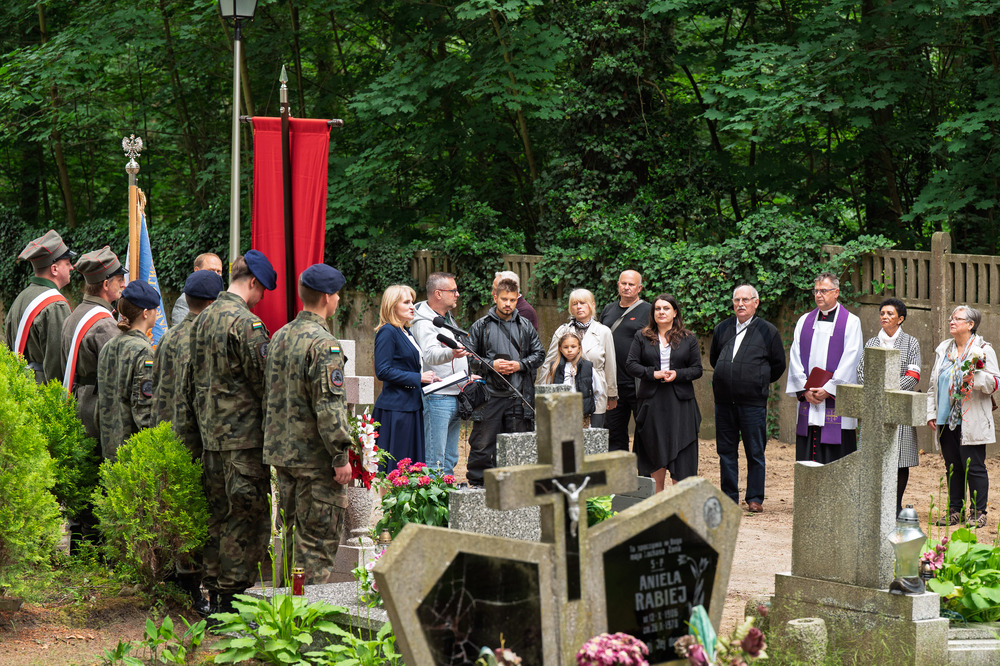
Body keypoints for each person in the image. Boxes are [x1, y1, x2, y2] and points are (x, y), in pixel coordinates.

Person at [187, 250, 276, 615]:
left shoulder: (202, 319)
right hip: (243, 442)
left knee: (217, 518)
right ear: (252, 282)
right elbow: (264, 384)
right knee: (247, 522)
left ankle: (214, 600)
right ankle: (232, 606)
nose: (261, 299)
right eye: (262, 291)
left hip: (211, 440)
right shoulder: (246, 325)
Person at [264, 264, 353, 584]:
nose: (339, 299)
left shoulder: (279, 336)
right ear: (328, 297)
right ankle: (306, 621)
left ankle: (284, 615)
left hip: (283, 456)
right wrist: (340, 456)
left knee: (289, 540)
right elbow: (329, 407)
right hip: (315, 461)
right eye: (338, 294)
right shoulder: (324, 344)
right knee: (315, 546)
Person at [150, 269, 222, 616]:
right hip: (200, 440)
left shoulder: (167, 338)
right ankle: (201, 591)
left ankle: (181, 581)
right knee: (206, 515)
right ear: (212, 302)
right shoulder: (207, 338)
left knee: (178, 510)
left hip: (169, 437)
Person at [709, 285, 786, 513]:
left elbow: (778, 365)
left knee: (755, 451)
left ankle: (754, 498)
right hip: (724, 402)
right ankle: (729, 497)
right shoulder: (722, 328)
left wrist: (756, 381)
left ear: (756, 303)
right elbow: (716, 359)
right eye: (737, 300)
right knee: (726, 451)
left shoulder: (767, 331)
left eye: (745, 300)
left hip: (752, 403)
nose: (740, 304)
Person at [465, 277, 545, 486]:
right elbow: (469, 357)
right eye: (504, 299)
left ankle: (515, 487)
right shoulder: (480, 326)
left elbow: (540, 355)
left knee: (517, 445)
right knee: (482, 444)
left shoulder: (525, 325)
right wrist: (491, 364)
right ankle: (478, 486)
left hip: (518, 395)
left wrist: (520, 365)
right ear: (495, 298)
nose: (508, 304)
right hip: (488, 396)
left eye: (512, 299)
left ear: (517, 299)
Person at [926, 306, 999, 528]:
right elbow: (932, 385)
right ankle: (954, 511)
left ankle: (978, 513)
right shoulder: (943, 350)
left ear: (971, 324)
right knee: (952, 466)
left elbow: (995, 382)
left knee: (974, 466)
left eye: (957, 319)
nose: (952, 321)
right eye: (951, 318)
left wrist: (973, 378)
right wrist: (932, 413)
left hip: (971, 418)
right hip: (946, 418)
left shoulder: (984, 350)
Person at [625, 294, 702, 492]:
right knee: (653, 449)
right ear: (653, 313)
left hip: (680, 404)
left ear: (675, 312)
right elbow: (631, 365)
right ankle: (657, 501)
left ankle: (679, 503)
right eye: (657, 308)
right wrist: (653, 373)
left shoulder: (688, 338)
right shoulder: (642, 336)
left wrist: (677, 374)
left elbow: (697, 369)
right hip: (652, 402)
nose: (661, 312)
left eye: (666, 308)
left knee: (682, 451)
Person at [785, 272, 863, 464]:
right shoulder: (804, 321)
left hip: (834, 403)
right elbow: (795, 356)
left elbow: (852, 358)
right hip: (809, 401)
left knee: (836, 460)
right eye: (816, 291)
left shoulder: (851, 322)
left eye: (824, 291)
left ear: (836, 292)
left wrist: (829, 390)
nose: (819, 295)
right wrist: (805, 389)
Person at [857, 298, 922, 516]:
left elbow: (913, 375)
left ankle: (895, 505)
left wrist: (888, 390)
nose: (884, 317)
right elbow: (861, 373)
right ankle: (875, 504)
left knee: (900, 460)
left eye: (890, 314)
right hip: (875, 409)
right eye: (882, 313)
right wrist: (877, 392)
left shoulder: (911, 343)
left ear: (900, 319)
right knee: (875, 457)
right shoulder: (871, 343)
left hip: (898, 407)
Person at [60, 246, 126, 440]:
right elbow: (119, 374)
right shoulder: (105, 325)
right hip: (97, 411)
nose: (123, 285)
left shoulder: (74, 315)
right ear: (106, 284)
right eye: (120, 280)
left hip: (76, 403)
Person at [410, 272, 471, 475]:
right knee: (436, 459)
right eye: (453, 290)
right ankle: (435, 504)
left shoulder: (445, 318)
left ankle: (449, 501)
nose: (457, 294)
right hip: (438, 395)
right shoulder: (424, 321)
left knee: (451, 457)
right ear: (438, 293)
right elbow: (429, 354)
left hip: (456, 392)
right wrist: (452, 353)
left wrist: (468, 372)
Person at [373, 284, 439, 467]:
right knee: (396, 467)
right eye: (406, 302)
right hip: (396, 410)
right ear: (392, 305)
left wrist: (429, 380)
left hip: (411, 406)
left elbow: (407, 367)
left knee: (410, 468)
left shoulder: (406, 332)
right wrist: (418, 378)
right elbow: (383, 370)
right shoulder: (388, 331)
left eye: (413, 301)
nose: (413, 306)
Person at [95, 281, 159, 461]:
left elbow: (101, 401)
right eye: (155, 309)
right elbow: (144, 409)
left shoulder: (109, 346)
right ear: (146, 313)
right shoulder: (144, 352)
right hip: (133, 452)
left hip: (109, 447)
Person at [4, 229, 75, 383]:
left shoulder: (21, 298)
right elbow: (58, 363)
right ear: (54, 269)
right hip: (44, 393)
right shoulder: (55, 305)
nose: (72, 268)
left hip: (21, 389)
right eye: (68, 263)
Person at [538, 289, 617, 427]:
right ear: (570, 308)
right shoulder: (562, 331)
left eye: (583, 303)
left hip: (595, 391)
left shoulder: (603, 332)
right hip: (567, 392)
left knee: (593, 438)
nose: (579, 306)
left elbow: (610, 365)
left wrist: (612, 394)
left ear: (592, 305)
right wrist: (541, 391)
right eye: (575, 304)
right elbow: (549, 362)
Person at [600, 270, 651, 452]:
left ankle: (643, 477)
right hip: (613, 384)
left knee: (645, 432)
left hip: (638, 383)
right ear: (618, 285)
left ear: (639, 288)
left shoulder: (648, 311)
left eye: (631, 284)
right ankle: (619, 476)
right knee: (613, 432)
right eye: (623, 283)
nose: (627, 287)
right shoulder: (608, 310)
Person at [544, 332, 603, 425]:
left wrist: (588, 405)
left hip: (582, 415)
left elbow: (598, 390)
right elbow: (548, 390)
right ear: (560, 349)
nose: (569, 350)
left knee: (582, 438)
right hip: (561, 414)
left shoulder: (587, 367)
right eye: (566, 347)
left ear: (579, 348)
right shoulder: (555, 367)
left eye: (573, 346)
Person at [170, 253, 224, 326]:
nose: (215, 275)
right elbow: (180, 333)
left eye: (218, 271)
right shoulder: (184, 301)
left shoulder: (224, 300)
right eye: (211, 270)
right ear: (197, 270)